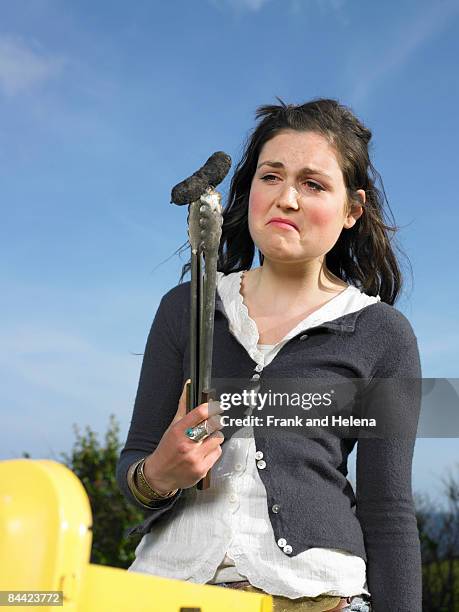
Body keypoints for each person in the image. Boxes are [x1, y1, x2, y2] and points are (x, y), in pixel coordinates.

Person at [116, 98, 422, 611]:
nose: (286, 199)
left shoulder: (383, 335)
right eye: (271, 177)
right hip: (165, 590)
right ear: (249, 189)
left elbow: (388, 511)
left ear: (353, 209)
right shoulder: (186, 307)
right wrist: (159, 476)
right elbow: (137, 468)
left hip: (316, 595)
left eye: (313, 184)